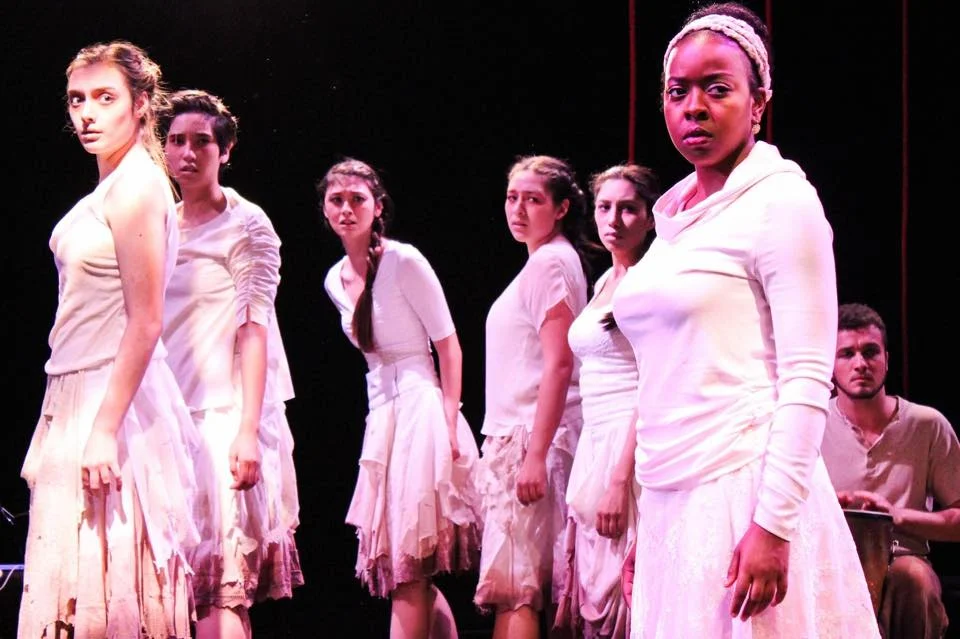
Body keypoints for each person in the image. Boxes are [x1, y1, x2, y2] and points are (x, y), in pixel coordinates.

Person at [609, 3, 881, 636]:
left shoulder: (781, 201)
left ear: (758, 102)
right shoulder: (675, 219)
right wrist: (650, 528)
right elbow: (668, 382)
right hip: (673, 499)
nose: (694, 107)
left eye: (717, 89)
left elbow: (808, 375)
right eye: (678, 91)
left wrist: (774, 525)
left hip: (745, 490)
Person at [18, 41, 199, 638]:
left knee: (114, 590)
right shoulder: (111, 187)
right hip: (78, 388)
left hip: (110, 398)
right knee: (79, 586)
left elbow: (146, 320)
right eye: (77, 100)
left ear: (141, 104)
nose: (87, 114)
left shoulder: (137, 186)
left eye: (104, 97)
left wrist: (103, 429)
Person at [161, 89, 303, 639]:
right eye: (176, 141)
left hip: (221, 414)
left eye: (201, 141)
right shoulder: (161, 222)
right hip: (166, 413)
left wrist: (246, 431)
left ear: (225, 151)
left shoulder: (246, 223)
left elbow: (254, 327)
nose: (187, 153)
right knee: (176, 592)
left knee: (219, 588)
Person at [320, 159, 481, 639]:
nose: (346, 209)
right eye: (336, 200)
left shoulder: (403, 261)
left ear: (377, 207)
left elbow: (448, 345)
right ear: (324, 209)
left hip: (420, 409)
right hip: (382, 417)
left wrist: (449, 421)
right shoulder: (333, 279)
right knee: (409, 570)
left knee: (408, 568)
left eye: (357, 199)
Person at [474, 155, 589, 639]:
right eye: (512, 197)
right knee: (518, 587)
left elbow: (560, 363)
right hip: (520, 433)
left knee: (518, 588)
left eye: (533, 200)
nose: (518, 210)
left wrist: (536, 455)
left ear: (561, 208)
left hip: (531, 436)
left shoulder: (550, 263)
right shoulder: (545, 261)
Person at [556, 164, 658, 638]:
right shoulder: (604, 283)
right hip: (596, 442)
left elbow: (651, 384)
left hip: (628, 447)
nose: (613, 219)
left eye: (628, 208)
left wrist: (620, 478)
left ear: (650, 218)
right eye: (604, 207)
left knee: (627, 589)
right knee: (596, 586)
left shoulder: (649, 283)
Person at [822, 302, 960, 639]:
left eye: (870, 352)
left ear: (887, 359)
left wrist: (895, 516)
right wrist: (826, 506)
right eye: (846, 354)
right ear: (830, 366)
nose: (860, 363)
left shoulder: (927, 425)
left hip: (902, 558)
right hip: (831, 561)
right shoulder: (814, 424)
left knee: (913, 577)